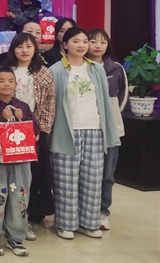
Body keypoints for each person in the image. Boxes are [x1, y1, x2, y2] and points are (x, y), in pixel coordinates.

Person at [49, 27, 120, 240]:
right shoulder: (56, 70)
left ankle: (89, 223)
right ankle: (65, 224)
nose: (81, 45)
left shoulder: (96, 69)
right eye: (76, 41)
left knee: (93, 178)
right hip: (66, 131)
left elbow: (105, 102)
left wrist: (110, 130)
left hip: (94, 129)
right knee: (66, 180)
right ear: (65, 45)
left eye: (84, 41)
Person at [0, 32, 56, 238]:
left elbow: (49, 103)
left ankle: (27, 218)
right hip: (7, 131)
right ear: (13, 49)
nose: (24, 50)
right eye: (20, 46)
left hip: (33, 131)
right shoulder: (4, 70)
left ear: (35, 49)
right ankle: (5, 219)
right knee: (9, 177)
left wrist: (40, 130)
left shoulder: (43, 72)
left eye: (29, 46)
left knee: (32, 178)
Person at [0, 68, 41, 256]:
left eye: (10, 81)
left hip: (21, 161)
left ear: (16, 84)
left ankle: (16, 238)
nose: (6, 84)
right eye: (1, 81)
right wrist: (1, 119)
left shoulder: (22, 106)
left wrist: (24, 118)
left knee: (19, 199)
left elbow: (36, 131)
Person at [85, 28, 128, 232]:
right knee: (87, 172)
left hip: (111, 130)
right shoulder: (81, 67)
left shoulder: (116, 68)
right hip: (88, 126)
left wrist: (111, 118)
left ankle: (103, 211)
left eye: (102, 42)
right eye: (93, 41)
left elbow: (122, 97)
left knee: (107, 174)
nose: (98, 46)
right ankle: (85, 209)